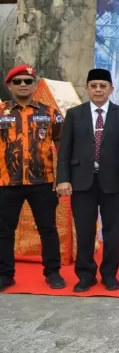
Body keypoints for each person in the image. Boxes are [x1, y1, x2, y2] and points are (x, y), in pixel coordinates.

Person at [57, 68, 119, 292]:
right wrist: (63, 179)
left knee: (112, 232)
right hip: (81, 182)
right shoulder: (74, 114)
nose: (99, 90)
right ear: (87, 89)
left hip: (113, 183)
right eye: (94, 86)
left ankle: (110, 274)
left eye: (103, 86)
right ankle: (85, 275)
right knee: (85, 232)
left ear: (111, 89)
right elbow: (65, 150)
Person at [0, 65, 64, 292]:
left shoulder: (49, 112)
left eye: (28, 81)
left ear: (34, 85)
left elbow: (61, 144)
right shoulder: (2, 112)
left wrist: (63, 177)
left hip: (43, 182)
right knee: (4, 231)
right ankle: (5, 275)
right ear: (9, 85)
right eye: (18, 82)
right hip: (7, 182)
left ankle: (53, 272)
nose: (23, 85)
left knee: (48, 228)